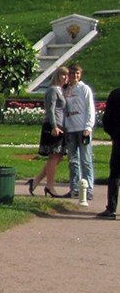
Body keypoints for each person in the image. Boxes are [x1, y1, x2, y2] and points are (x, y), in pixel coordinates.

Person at [29, 66, 69, 197]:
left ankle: (35, 181)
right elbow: (50, 109)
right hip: (53, 126)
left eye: (67, 75)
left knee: (58, 157)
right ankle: (50, 186)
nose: (66, 78)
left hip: (60, 127)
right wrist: (54, 126)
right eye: (63, 75)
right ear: (57, 75)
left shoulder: (61, 91)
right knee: (54, 156)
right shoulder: (53, 90)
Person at [63, 63, 96, 206]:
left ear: (80, 75)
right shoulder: (66, 90)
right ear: (68, 75)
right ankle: (74, 187)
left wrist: (88, 126)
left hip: (82, 128)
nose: (74, 76)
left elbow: (90, 108)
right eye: (72, 73)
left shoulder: (84, 89)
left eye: (77, 74)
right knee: (72, 161)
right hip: (70, 129)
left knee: (86, 160)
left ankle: (88, 189)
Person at [99, 86, 120, 219]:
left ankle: (111, 208)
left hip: (119, 139)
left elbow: (107, 120)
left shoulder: (115, 94)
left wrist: (113, 134)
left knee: (115, 174)